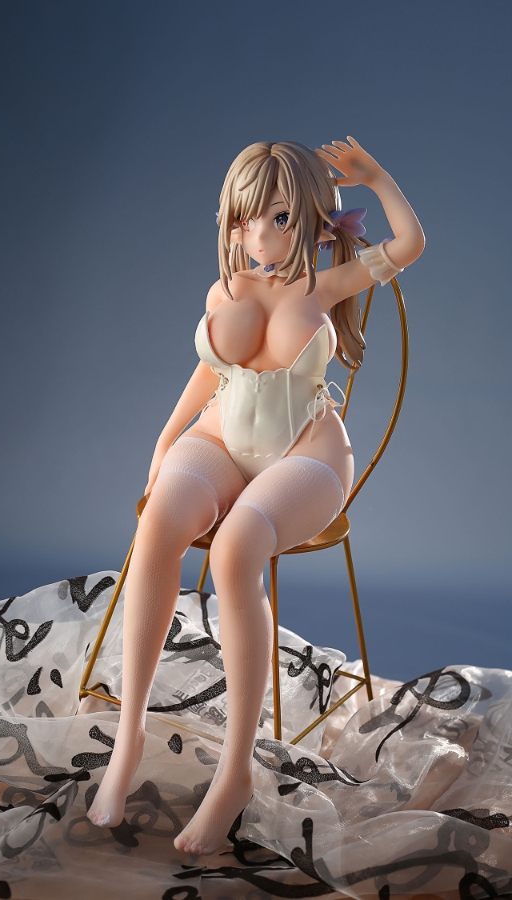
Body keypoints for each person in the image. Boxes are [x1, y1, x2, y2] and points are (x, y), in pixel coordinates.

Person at [86, 138, 425, 855]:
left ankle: (235, 770)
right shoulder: (228, 290)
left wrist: (375, 178)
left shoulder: (325, 286)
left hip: (306, 454)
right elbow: (210, 375)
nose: (260, 236)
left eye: (278, 217)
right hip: (220, 441)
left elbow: (409, 245)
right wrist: (165, 438)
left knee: (237, 549)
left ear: (312, 218)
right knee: (159, 523)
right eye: (243, 220)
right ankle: (130, 733)